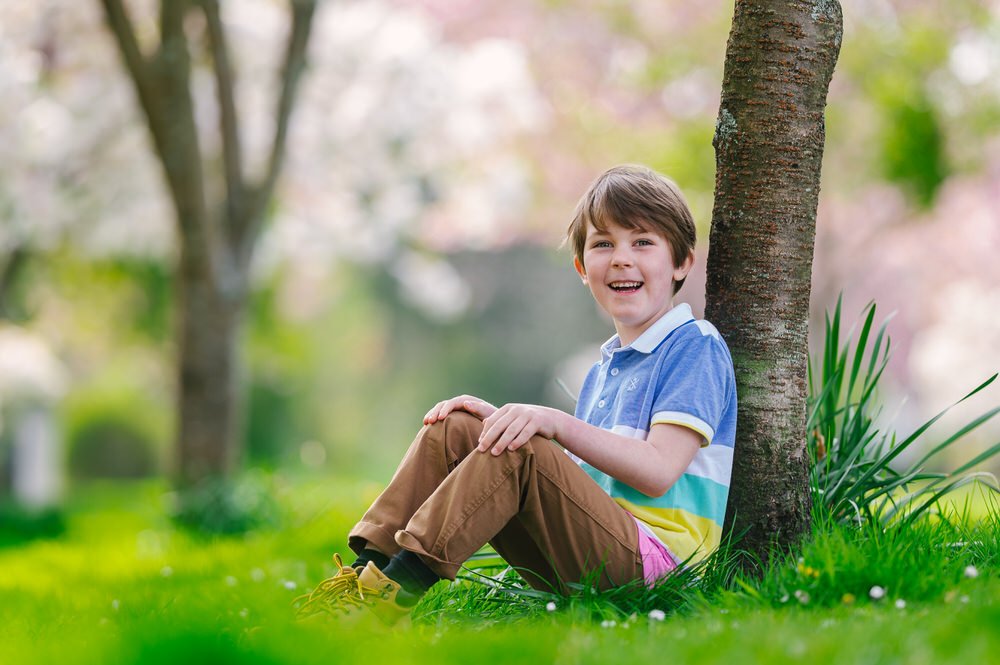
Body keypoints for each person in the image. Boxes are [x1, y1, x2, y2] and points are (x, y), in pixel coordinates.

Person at [297, 164, 737, 625]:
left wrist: (552, 424)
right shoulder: (605, 367)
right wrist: (503, 424)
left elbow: (658, 471)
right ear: (582, 269)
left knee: (521, 442)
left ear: (683, 261)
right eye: (603, 244)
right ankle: (359, 581)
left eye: (643, 242)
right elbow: (579, 488)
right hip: (589, 556)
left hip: (658, 573)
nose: (622, 258)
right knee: (458, 427)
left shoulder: (694, 346)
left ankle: (393, 595)